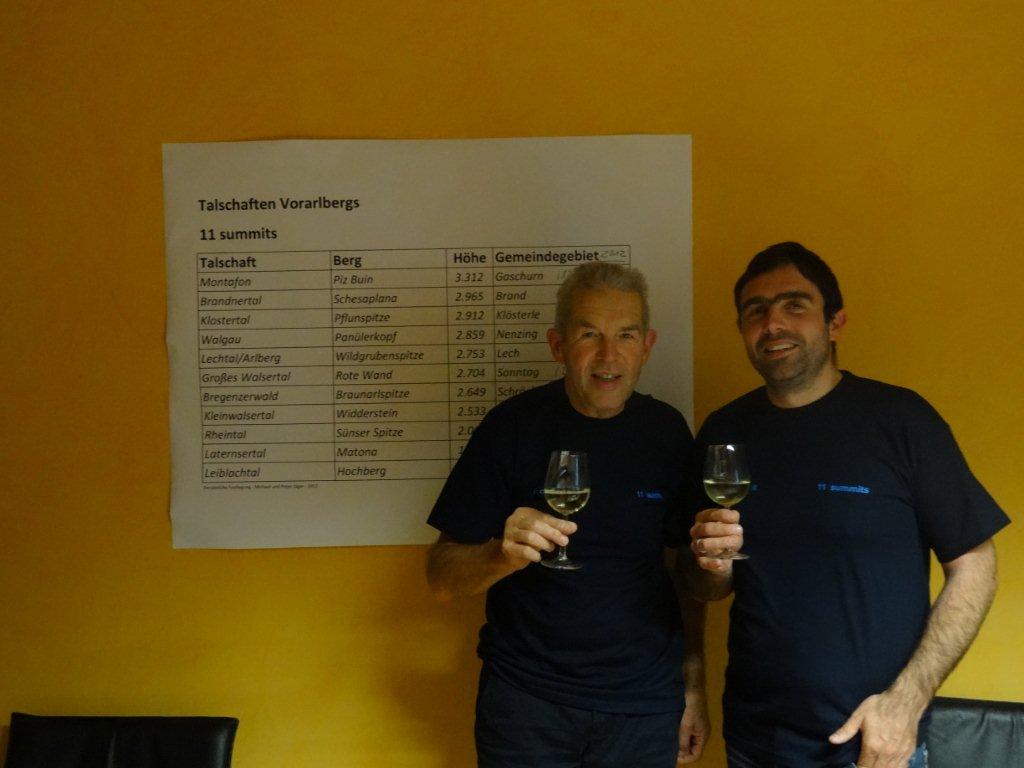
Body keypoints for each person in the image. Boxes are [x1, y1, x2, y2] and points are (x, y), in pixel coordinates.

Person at [683, 242, 1010, 768]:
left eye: (794, 305)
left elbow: (976, 565)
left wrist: (906, 702)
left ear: (835, 322)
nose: (773, 324)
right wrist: (711, 568)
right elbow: (703, 586)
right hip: (755, 738)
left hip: (874, 743)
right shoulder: (725, 431)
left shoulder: (901, 421)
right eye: (755, 311)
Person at [426, 262, 710, 767]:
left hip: (643, 706)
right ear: (558, 345)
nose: (608, 355)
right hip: (527, 703)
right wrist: (500, 556)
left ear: (647, 346)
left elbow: (682, 571)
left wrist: (693, 683)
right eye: (588, 335)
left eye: (626, 335)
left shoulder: (667, 432)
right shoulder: (511, 428)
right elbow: (441, 576)